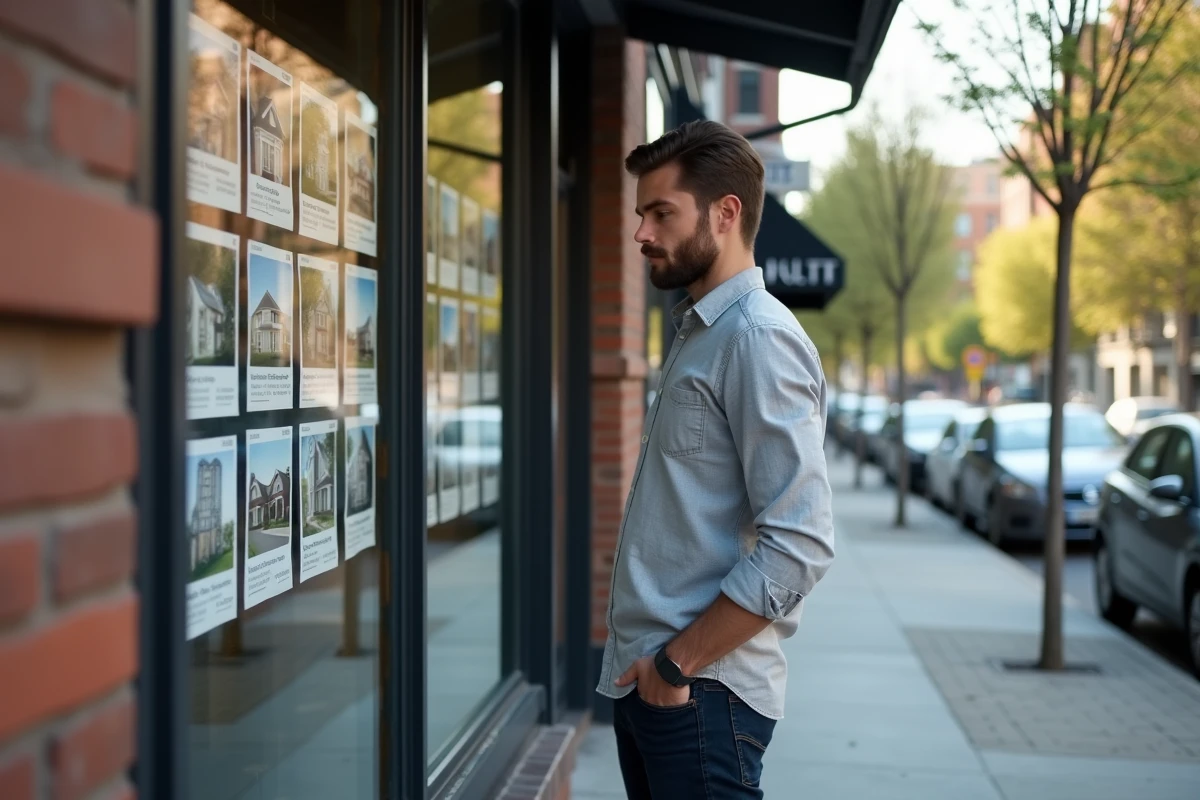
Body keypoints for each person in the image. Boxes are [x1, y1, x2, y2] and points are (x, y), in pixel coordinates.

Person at [596, 120, 835, 799]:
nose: (641, 232)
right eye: (641, 213)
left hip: (702, 695)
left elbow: (802, 544)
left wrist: (675, 667)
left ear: (725, 214)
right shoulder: (701, 332)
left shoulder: (756, 339)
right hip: (659, 685)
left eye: (660, 212)